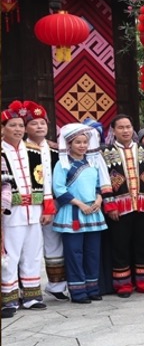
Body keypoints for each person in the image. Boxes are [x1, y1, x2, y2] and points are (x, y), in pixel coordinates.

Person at [1, 101, 56, 316]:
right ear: (3, 128)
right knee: (10, 255)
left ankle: (32, 296)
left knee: (33, 253)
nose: (17, 129)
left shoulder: (33, 151)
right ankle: (9, 299)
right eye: (12, 125)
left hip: (34, 210)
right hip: (10, 212)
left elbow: (45, 181)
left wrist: (48, 208)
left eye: (21, 126)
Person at [101, 113, 144, 296]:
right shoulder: (105, 152)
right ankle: (123, 285)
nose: (125, 131)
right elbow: (104, 179)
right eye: (121, 127)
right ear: (113, 130)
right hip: (120, 207)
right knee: (120, 245)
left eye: (128, 127)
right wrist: (110, 205)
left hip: (143, 205)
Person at [52, 123, 109, 304]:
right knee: (74, 253)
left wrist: (99, 200)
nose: (82, 145)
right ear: (69, 144)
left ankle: (92, 288)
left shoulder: (92, 163)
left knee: (92, 252)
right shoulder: (63, 164)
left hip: (93, 212)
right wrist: (80, 204)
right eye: (78, 142)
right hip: (73, 212)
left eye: (85, 142)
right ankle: (78, 291)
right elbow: (58, 189)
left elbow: (98, 186)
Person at [23, 104, 67, 302]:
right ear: (25, 128)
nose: (39, 126)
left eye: (42, 123)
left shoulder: (55, 150)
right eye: (34, 123)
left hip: (54, 203)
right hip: (29, 203)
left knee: (55, 243)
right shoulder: (20, 150)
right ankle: (26, 287)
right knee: (28, 247)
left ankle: (56, 285)